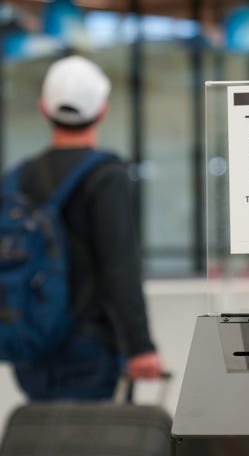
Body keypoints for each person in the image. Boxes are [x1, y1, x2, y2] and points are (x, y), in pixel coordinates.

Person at [12, 55, 162, 400]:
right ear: (102, 110)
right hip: (91, 344)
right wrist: (140, 346)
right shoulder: (106, 177)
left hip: (31, 342)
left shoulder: (17, 177)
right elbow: (119, 268)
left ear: (43, 109)